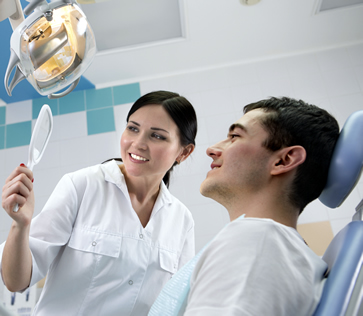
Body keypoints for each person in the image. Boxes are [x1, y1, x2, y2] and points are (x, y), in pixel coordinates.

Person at [0, 90, 197, 315]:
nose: (138, 143)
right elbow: (15, 281)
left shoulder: (182, 220)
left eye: (157, 136)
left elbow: (177, 303)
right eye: (133, 128)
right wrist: (20, 224)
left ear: (184, 152)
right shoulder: (82, 185)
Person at [148, 96, 340, 316]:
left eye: (235, 136)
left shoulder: (257, 241)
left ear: (284, 160)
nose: (212, 149)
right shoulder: (278, 248)